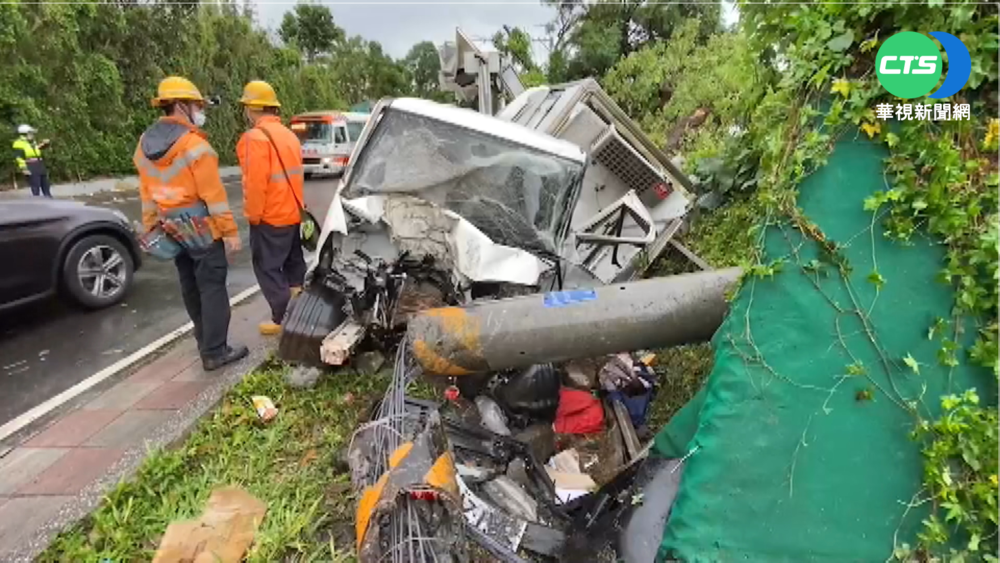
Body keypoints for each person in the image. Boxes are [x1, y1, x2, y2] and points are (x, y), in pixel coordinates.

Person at [134, 76, 248, 371]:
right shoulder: (195, 146)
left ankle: (204, 342)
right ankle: (215, 351)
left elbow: (147, 192)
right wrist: (230, 232)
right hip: (202, 228)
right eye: (197, 105)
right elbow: (214, 196)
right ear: (182, 106)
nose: (200, 110)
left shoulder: (144, 145)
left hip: (170, 228)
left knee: (190, 286)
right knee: (211, 287)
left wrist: (150, 225)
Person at [236, 80, 307, 336]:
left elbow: (255, 184)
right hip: (292, 213)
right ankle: (301, 308)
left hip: (270, 217)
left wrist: (254, 217)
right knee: (293, 264)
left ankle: (282, 318)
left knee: (267, 267)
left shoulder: (253, 139)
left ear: (252, 108)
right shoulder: (289, 135)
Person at [13, 124, 52, 198]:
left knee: (46, 185)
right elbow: (19, 158)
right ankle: (36, 204)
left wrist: (45, 144)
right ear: (24, 134)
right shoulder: (19, 144)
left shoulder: (31, 142)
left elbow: (36, 149)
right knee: (35, 186)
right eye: (30, 133)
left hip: (39, 164)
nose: (32, 135)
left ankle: (49, 200)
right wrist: (24, 168)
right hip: (31, 166)